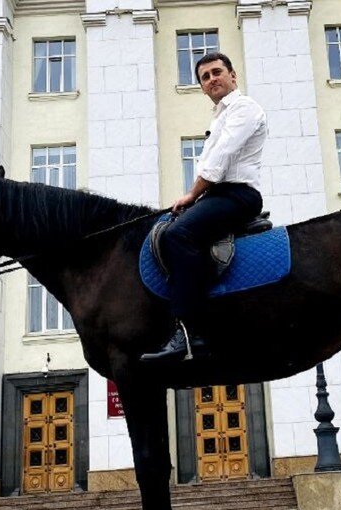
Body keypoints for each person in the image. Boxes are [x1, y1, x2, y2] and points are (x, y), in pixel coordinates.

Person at [141, 52, 268, 363]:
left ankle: (190, 332)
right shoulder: (219, 116)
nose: (212, 79)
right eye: (205, 77)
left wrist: (190, 195)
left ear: (233, 76)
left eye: (216, 72)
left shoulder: (244, 108)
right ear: (201, 86)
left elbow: (221, 158)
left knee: (178, 235)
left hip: (238, 195)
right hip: (217, 196)